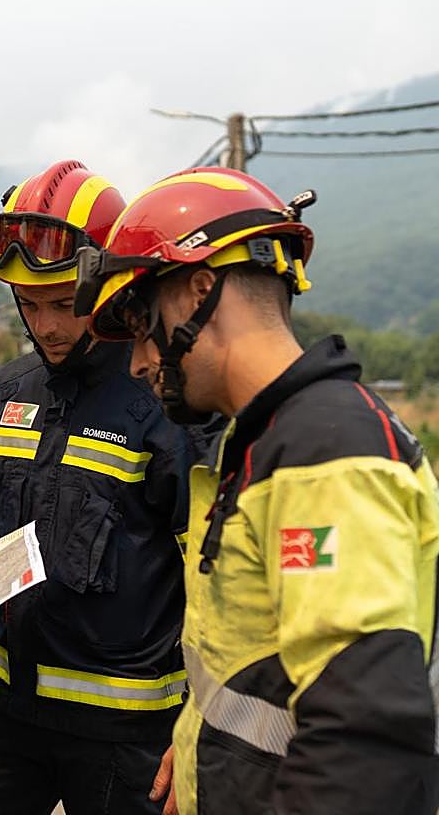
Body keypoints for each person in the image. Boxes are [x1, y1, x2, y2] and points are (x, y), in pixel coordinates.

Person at [74, 166, 439, 814]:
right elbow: (263, 672)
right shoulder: (265, 444)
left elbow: (363, 740)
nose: (135, 363)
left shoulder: (327, 451)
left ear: (198, 292)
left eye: (139, 325)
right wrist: (199, 745)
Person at [0, 161, 193, 815]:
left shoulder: (165, 405)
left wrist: (198, 723)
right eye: (28, 305)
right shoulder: (2, 397)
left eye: (65, 304)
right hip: (5, 714)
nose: (47, 327)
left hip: (130, 735)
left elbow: (210, 581)